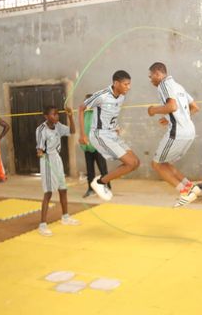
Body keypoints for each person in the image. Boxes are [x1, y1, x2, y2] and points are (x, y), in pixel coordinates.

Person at [78, 70, 140, 201]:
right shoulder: (101, 95)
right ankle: (99, 182)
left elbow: (112, 114)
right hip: (100, 135)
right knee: (129, 163)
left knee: (135, 163)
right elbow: (81, 108)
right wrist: (82, 134)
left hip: (112, 133)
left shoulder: (122, 96)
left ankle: (101, 182)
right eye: (125, 84)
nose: (128, 87)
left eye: (129, 84)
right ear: (116, 83)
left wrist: (115, 126)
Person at [147, 62, 201, 207]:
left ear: (158, 73)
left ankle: (185, 192)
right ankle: (191, 187)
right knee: (165, 163)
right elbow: (195, 107)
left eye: (151, 76)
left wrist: (153, 110)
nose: (150, 79)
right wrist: (172, 117)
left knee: (156, 164)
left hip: (177, 133)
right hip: (190, 131)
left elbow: (172, 106)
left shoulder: (163, 85)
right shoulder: (179, 86)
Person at [36, 105, 79, 236]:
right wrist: (40, 152)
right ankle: (42, 225)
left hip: (57, 159)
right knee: (48, 192)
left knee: (63, 189)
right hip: (47, 160)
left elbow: (72, 131)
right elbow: (40, 149)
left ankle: (65, 217)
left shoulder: (58, 126)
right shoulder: (41, 129)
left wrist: (70, 116)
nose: (56, 116)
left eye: (57, 114)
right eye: (53, 114)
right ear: (46, 116)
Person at [80, 94, 110, 198]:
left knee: (102, 168)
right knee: (90, 169)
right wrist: (82, 138)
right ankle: (90, 189)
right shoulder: (85, 113)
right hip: (87, 146)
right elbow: (83, 128)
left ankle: (107, 187)